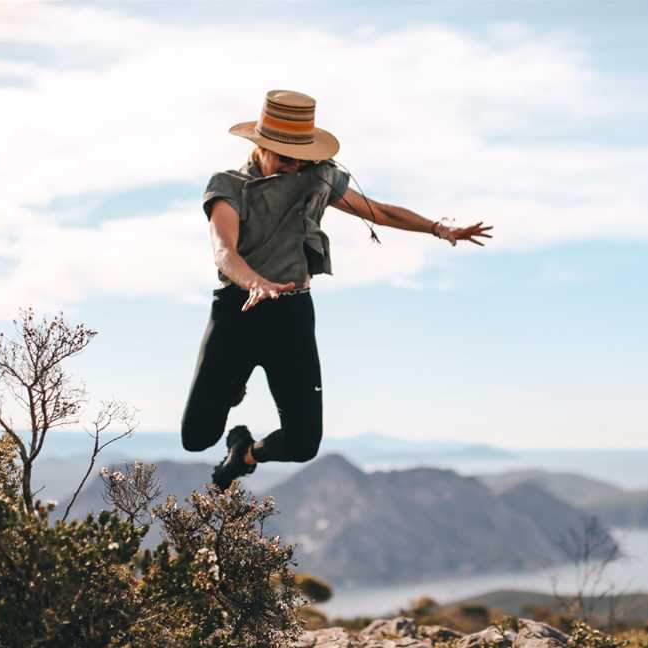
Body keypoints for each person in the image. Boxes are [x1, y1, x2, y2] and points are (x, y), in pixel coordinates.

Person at [180, 89, 494, 491]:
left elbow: (377, 211)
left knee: (303, 442)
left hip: (290, 312)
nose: (293, 166)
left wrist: (438, 228)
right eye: (283, 156)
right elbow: (224, 251)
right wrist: (255, 282)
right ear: (260, 146)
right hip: (237, 310)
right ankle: (230, 388)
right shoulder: (228, 185)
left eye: (300, 158)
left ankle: (244, 453)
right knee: (198, 437)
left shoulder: (318, 176)